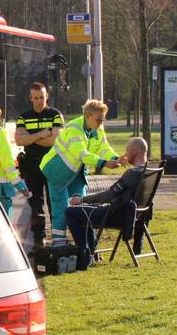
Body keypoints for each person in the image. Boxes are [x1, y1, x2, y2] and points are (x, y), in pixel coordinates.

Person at [39, 99, 122, 247]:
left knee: (83, 207)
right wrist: (103, 163)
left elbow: (103, 148)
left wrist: (116, 158)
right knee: (61, 208)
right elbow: (81, 154)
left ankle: (88, 246)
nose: (101, 123)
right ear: (88, 116)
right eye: (99, 120)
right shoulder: (73, 128)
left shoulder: (97, 127)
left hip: (76, 172)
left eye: (103, 120)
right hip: (56, 171)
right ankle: (59, 247)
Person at [65, 137, 149, 254]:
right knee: (84, 212)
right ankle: (91, 250)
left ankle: (84, 253)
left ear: (134, 152)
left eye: (127, 150)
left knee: (71, 212)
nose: (124, 154)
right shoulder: (149, 171)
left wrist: (82, 200)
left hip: (116, 216)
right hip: (136, 216)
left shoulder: (132, 173)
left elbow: (108, 196)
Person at [14, 82, 64, 246]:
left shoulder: (55, 114)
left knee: (54, 201)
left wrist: (32, 137)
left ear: (47, 96)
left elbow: (56, 140)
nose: (39, 101)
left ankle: (58, 237)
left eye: (41, 97)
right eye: (35, 98)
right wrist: (43, 133)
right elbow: (19, 140)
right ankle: (39, 239)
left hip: (52, 164)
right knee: (35, 203)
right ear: (30, 98)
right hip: (31, 165)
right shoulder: (23, 117)